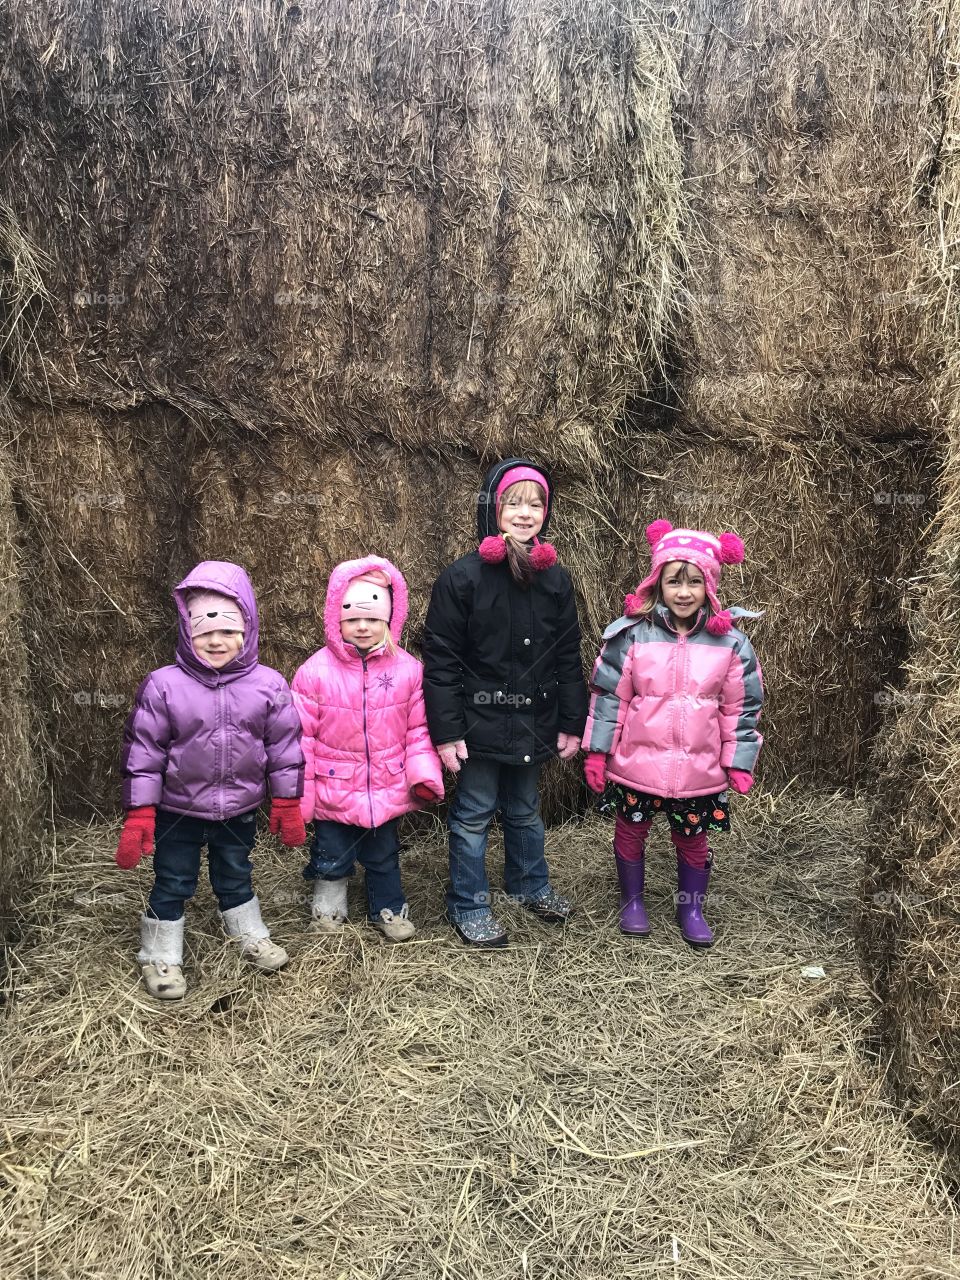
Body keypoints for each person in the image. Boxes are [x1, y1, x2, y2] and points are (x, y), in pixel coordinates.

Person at [115, 561, 306, 999]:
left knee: (236, 873)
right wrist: (141, 813)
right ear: (188, 634)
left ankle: (249, 934)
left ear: (248, 629)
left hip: (238, 808)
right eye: (204, 632)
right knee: (173, 878)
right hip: (177, 811)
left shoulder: (269, 684)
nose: (216, 641)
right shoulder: (164, 685)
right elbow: (144, 752)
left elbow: (285, 750)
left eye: (227, 631)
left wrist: (286, 802)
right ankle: (160, 954)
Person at [423, 458, 588, 947]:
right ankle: (469, 903)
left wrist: (571, 721)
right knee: (474, 812)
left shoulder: (555, 580)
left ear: (546, 513)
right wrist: (447, 731)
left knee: (525, 810)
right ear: (493, 511)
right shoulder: (462, 579)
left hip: (534, 722)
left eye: (535, 504)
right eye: (514, 503)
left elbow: (567, 654)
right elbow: (441, 660)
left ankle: (529, 884)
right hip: (478, 724)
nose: (524, 512)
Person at [582, 520, 763, 949]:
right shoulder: (631, 636)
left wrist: (738, 762)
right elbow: (610, 697)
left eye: (695, 582)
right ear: (656, 584)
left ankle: (691, 908)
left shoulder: (732, 645)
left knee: (693, 837)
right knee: (630, 830)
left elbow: (741, 707)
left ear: (710, 587)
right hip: (637, 766)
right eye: (673, 581)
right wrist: (597, 753)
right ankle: (632, 902)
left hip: (698, 771)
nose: (684, 592)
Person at [291, 557, 443, 941]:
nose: (362, 626)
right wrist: (300, 795)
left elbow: (419, 731)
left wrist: (423, 775)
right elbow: (300, 738)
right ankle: (328, 909)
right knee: (332, 852)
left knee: (383, 854)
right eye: (353, 618)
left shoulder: (408, 670)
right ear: (335, 619)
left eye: (373, 619)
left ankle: (387, 908)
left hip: (385, 786)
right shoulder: (314, 672)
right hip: (333, 785)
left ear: (390, 621)